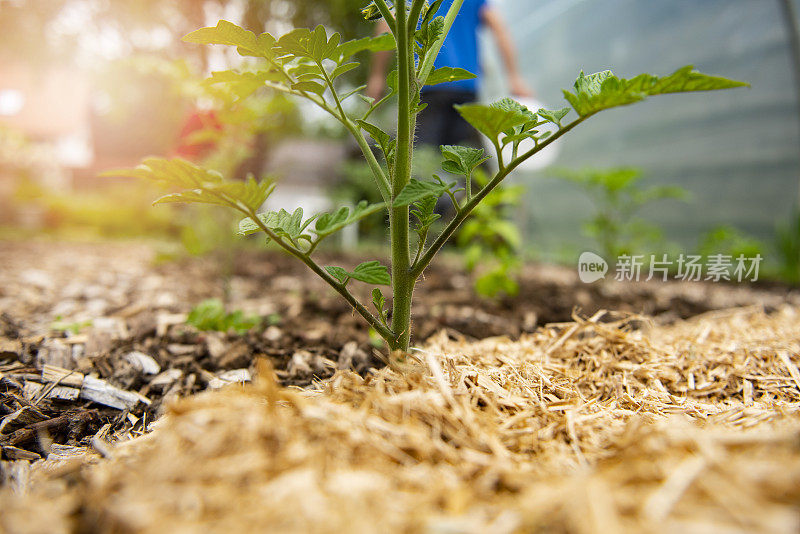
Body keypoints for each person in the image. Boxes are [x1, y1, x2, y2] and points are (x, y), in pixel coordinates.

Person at [366, 0, 532, 149]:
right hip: (464, 85)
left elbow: (385, 26)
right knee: (469, 160)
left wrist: (377, 76)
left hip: (428, 84)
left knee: (421, 158)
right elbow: (500, 30)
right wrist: (514, 76)